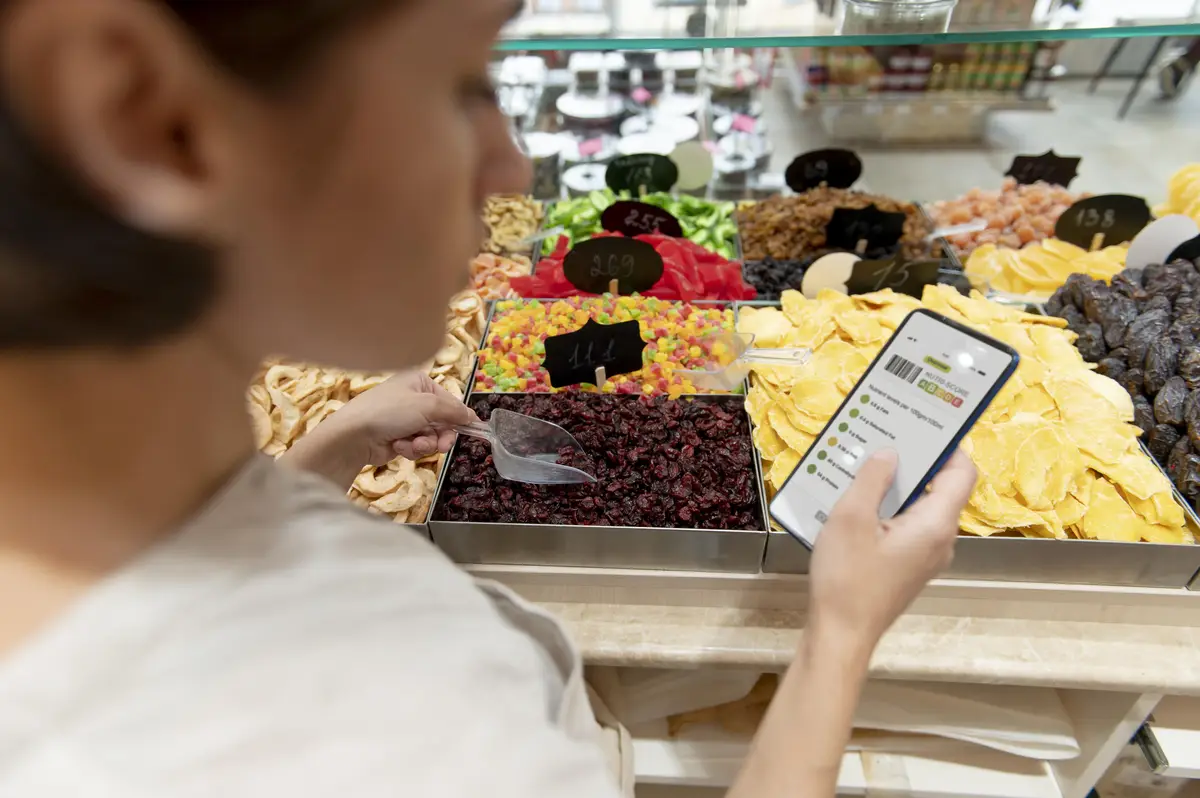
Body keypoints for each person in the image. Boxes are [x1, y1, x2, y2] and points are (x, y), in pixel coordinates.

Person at [0, 1, 978, 796]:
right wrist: (842, 633)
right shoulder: (398, 743)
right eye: (462, 82)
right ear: (139, 111)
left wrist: (317, 466)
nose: (511, 168)